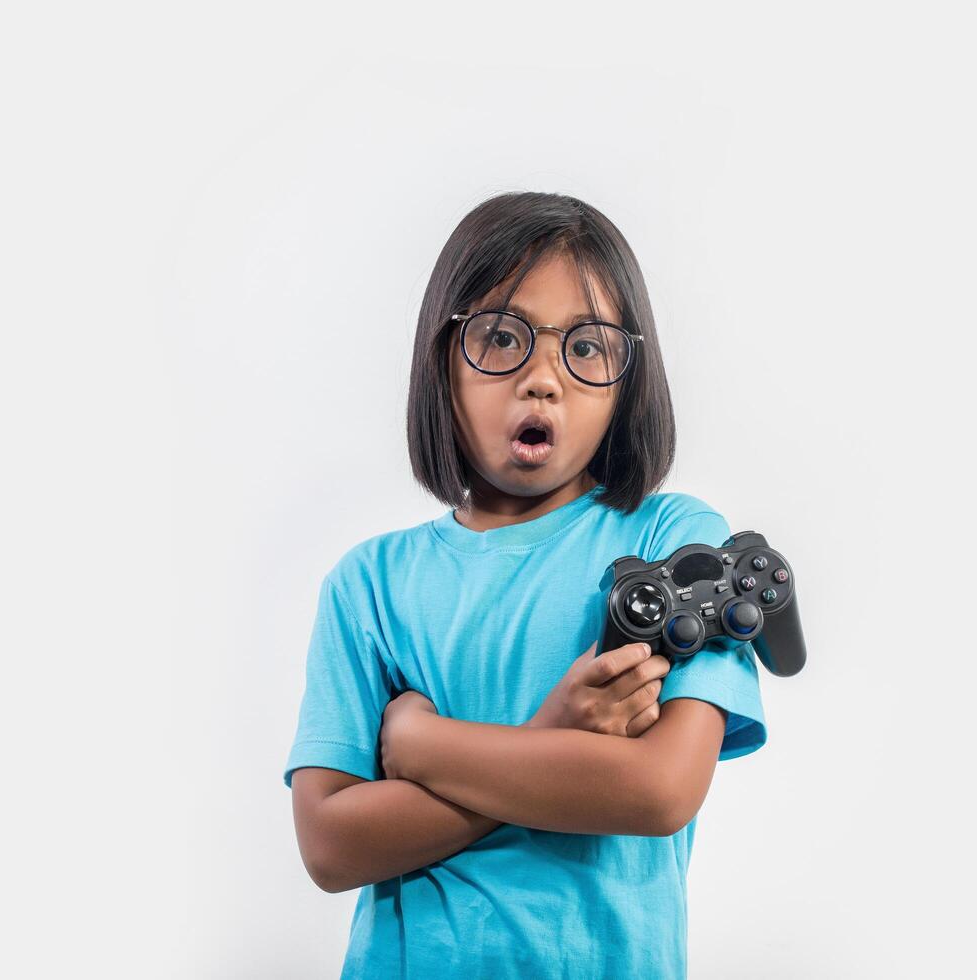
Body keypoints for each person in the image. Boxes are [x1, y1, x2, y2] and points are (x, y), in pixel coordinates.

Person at [284, 191, 768, 978]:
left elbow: (657, 791)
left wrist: (418, 743)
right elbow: (331, 846)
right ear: (440, 360)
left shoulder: (673, 541)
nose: (543, 379)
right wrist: (557, 735)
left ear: (627, 379)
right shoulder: (368, 584)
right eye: (501, 338)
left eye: (586, 346)